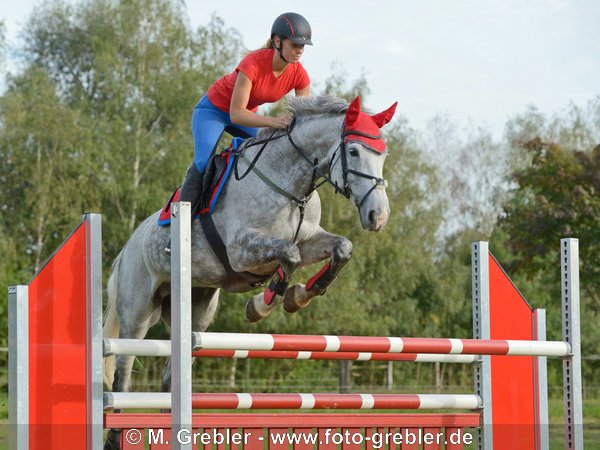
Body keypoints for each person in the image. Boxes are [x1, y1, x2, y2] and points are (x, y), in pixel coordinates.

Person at [179, 12, 313, 214]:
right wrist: (273, 122)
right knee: (203, 162)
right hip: (213, 111)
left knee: (271, 150)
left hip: (245, 115)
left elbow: (302, 119)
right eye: (294, 44)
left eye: (302, 46)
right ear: (277, 41)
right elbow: (236, 115)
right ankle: (180, 225)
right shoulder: (252, 64)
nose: (299, 50)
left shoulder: (300, 75)